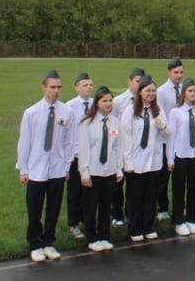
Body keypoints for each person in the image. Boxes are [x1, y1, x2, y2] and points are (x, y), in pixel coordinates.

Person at [16, 70, 75, 262]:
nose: (56, 91)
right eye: (52, 87)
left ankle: (49, 241)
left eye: (59, 87)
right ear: (43, 87)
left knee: (54, 207)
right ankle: (35, 244)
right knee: (35, 209)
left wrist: (66, 167)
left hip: (57, 168)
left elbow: (69, 142)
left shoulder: (67, 112)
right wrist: (24, 169)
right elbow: (25, 142)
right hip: (36, 169)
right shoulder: (32, 113)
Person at [120, 75, 170, 242]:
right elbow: (125, 139)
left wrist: (161, 125)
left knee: (150, 195)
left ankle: (148, 225)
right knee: (135, 196)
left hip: (153, 161)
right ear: (140, 92)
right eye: (147, 90)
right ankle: (135, 227)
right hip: (135, 161)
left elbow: (167, 132)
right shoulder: (130, 112)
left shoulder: (158, 110)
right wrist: (127, 163)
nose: (151, 94)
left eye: (153, 91)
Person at [78, 85, 123, 252]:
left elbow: (117, 148)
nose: (108, 104)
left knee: (105, 205)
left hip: (109, 170)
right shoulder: (87, 124)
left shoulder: (115, 122)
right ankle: (91, 237)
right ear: (97, 103)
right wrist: (84, 172)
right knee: (91, 206)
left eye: (110, 101)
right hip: (93, 170)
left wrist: (119, 170)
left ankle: (104, 235)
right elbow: (84, 149)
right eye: (104, 101)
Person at [167, 78, 195, 236]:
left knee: (193, 188)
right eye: (190, 91)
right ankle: (178, 220)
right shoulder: (176, 112)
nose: (193, 94)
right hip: (180, 154)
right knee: (179, 188)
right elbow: (171, 136)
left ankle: (192, 218)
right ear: (184, 93)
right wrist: (170, 158)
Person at [110, 67, 145, 227]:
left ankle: (132, 213)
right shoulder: (119, 101)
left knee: (134, 184)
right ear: (129, 81)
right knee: (118, 184)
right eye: (137, 81)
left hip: (137, 149)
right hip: (119, 148)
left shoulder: (145, 102)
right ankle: (117, 214)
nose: (139, 85)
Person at [65, 72, 93, 239]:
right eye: (85, 85)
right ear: (76, 88)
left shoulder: (96, 104)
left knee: (88, 190)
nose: (88, 87)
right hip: (76, 154)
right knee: (74, 191)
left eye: (90, 85)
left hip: (92, 154)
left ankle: (86, 219)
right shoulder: (70, 107)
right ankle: (73, 223)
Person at [156, 57, 184, 220]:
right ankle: (162, 208)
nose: (179, 76)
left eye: (181, 72)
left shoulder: (184, 89)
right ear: (168, 72)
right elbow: (161, 114)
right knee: (163, 177)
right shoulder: (162, 92)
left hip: (182, 140)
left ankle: (179, 205)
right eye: (176, 72)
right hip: (166, 139)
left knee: (180, 177)